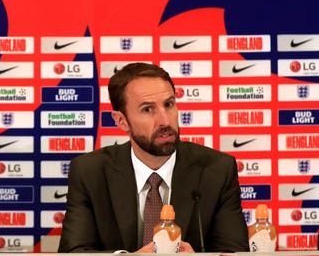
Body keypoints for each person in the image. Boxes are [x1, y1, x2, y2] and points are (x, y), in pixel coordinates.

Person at [59, 62, 249, 253]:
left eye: (169, 104)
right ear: (121, 121)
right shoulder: (89, 172)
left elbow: (233, 252)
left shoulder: (217, 170)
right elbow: (75, 253)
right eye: (148, 109)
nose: (165, 120)